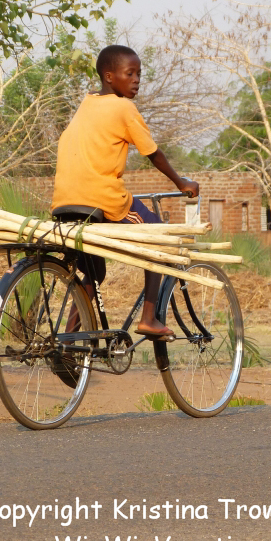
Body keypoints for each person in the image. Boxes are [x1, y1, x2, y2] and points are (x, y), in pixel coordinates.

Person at [51, 44, 199, 339]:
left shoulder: (87, 104)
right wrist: (181, 183)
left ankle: (69, 341)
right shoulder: (123, 108)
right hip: (103, 200)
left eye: (139, 74)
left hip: (64, 203)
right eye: (129, 73)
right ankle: (149, 319)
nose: (136, 80)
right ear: (109, 76)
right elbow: (152, 153)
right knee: (159, 237)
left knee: (95, 272)